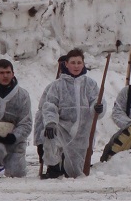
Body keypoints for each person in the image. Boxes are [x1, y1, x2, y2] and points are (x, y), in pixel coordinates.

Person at [40, 49, 105, 179]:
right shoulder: (57, 85)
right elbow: (50, 105)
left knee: (76, 173)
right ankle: (53, 169)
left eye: (79, 62)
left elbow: (97, 101)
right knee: (50, 137)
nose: (76, 66)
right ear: (67, 64)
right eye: (73, 63)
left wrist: (97, 108)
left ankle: (68, 169)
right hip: (62, 127)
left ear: (83, 64)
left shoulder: (90, 84)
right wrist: (51, 122)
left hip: (83, 131)